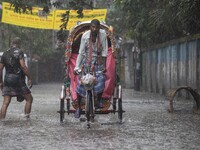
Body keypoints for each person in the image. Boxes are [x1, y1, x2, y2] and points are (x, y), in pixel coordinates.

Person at [74, 19, 108, 118]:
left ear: (99, 28)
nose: (95, 29)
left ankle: (97, 101)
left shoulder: (103, 35)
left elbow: (105, 52)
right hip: (87, 62)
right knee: (81, 83)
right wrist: (77, 67)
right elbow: (81, 53)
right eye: (93, 27)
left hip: (98, 62)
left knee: (101, 79)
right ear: (90, 27)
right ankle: (79, 107)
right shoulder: (84, 36)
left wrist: (104, 66)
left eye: (97, 27)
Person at [0, 37, 33, 119]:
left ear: (12, 43)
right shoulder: (20, 52)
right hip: (18, 79)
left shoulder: (5, 53)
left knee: (6, 102)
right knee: (29, 99)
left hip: (7, 79)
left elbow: (0, 69)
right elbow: (23, 66)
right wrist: (30, 78)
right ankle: (26, 119)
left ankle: (2, 120)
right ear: (19, 44)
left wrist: (1, 82)